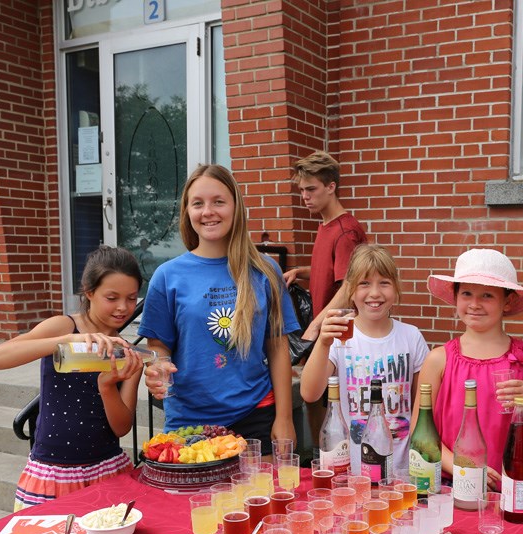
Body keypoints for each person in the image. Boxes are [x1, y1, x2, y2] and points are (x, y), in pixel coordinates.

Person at [138, 164, 298, 455]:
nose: (208, 211)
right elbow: (158, 346)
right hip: (189, 423)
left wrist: (284, 419)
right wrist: (157, 366)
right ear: (187, 211)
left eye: (218, 201)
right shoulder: (167, 276)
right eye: (198, 203)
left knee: (257, 498)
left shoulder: (264, 271)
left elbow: (277, 347)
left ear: (236, 207)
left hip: (256, 414)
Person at [0, 246, 145, 511]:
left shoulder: (126, 353)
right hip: (53, 473)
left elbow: (121, 428)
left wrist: (106, 386)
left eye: (131, 298)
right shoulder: (64, 327)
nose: (123, 307)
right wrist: (66, 341)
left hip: (107, 470)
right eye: (112, 297)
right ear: (90, 292)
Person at [415, 249, 523, 491]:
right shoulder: (438, 360)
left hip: (514, 484)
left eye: (487, 295)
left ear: (508, 301)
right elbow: (420, 437)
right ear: (455, 297)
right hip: (452, 483)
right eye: (467, 293)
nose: (474, 304)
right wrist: (461, 466)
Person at [300, 244, 429, 474]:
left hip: (402, 470)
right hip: (353, 471)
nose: (375, 293)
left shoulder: (411, 336)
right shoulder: (340, 338)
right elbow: (309, 393)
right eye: (364, 283)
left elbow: (425, 400)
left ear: (396, 289)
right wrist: (322, 342)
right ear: (350, 291)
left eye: (384, 283)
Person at [284, 151, 369, 334]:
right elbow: (330, 272)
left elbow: (349, 286)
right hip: (326, 330)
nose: (305, 196)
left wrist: (315, 327)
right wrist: (299, 272)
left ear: (331, 187)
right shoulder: (326, 226)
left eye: (311, 189)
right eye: (302, 190)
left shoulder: (345, 231)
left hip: (340, 336)